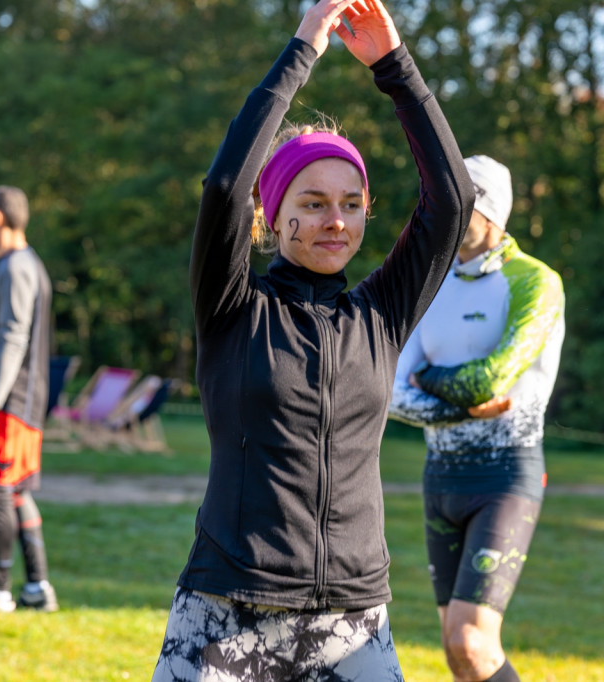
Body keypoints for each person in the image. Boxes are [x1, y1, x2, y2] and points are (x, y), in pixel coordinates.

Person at [152, 1, 474, 678]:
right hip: (228, 610)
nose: (336, 221)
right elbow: (223, 187)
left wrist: (395, 66)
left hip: (353, 620)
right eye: (313, 202)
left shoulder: (380, 315)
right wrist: (302, 50)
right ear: (272, 216)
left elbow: (452, 200)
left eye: (351, 203)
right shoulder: (233, 306)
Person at [388, 154, 565, 681]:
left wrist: (433, 382)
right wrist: (460, 401)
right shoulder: (430, 282)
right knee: (457, 650)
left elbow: (491, 381)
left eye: (456, 202)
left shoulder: (535, 282)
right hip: (440, 478)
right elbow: (393, 392)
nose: (441, 211)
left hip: (504, 477)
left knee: (471, 641)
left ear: (490, 211)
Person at [0, 185, 58, 613]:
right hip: (22, 401)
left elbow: (12, 339)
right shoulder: (22, 265)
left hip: (13, 403)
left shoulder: (16, 267)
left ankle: (0, 591)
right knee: (16, 492)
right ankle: (37, 589)